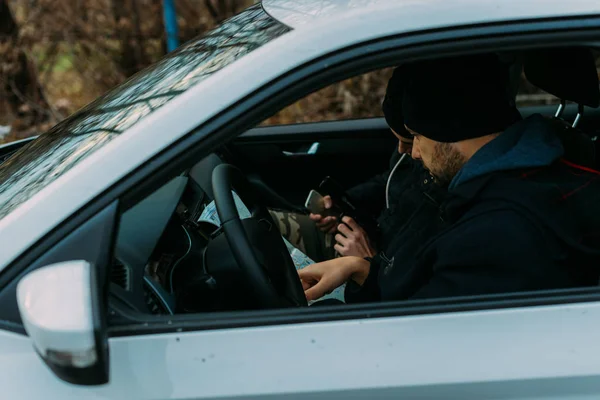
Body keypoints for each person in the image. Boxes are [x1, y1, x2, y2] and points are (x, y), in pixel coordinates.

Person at [299, 53, 600, 303]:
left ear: (450, 133)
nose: (413, 153)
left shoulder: (495, 233)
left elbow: (417, 338)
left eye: (417, 136)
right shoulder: (516, 177)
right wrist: (360, 268)